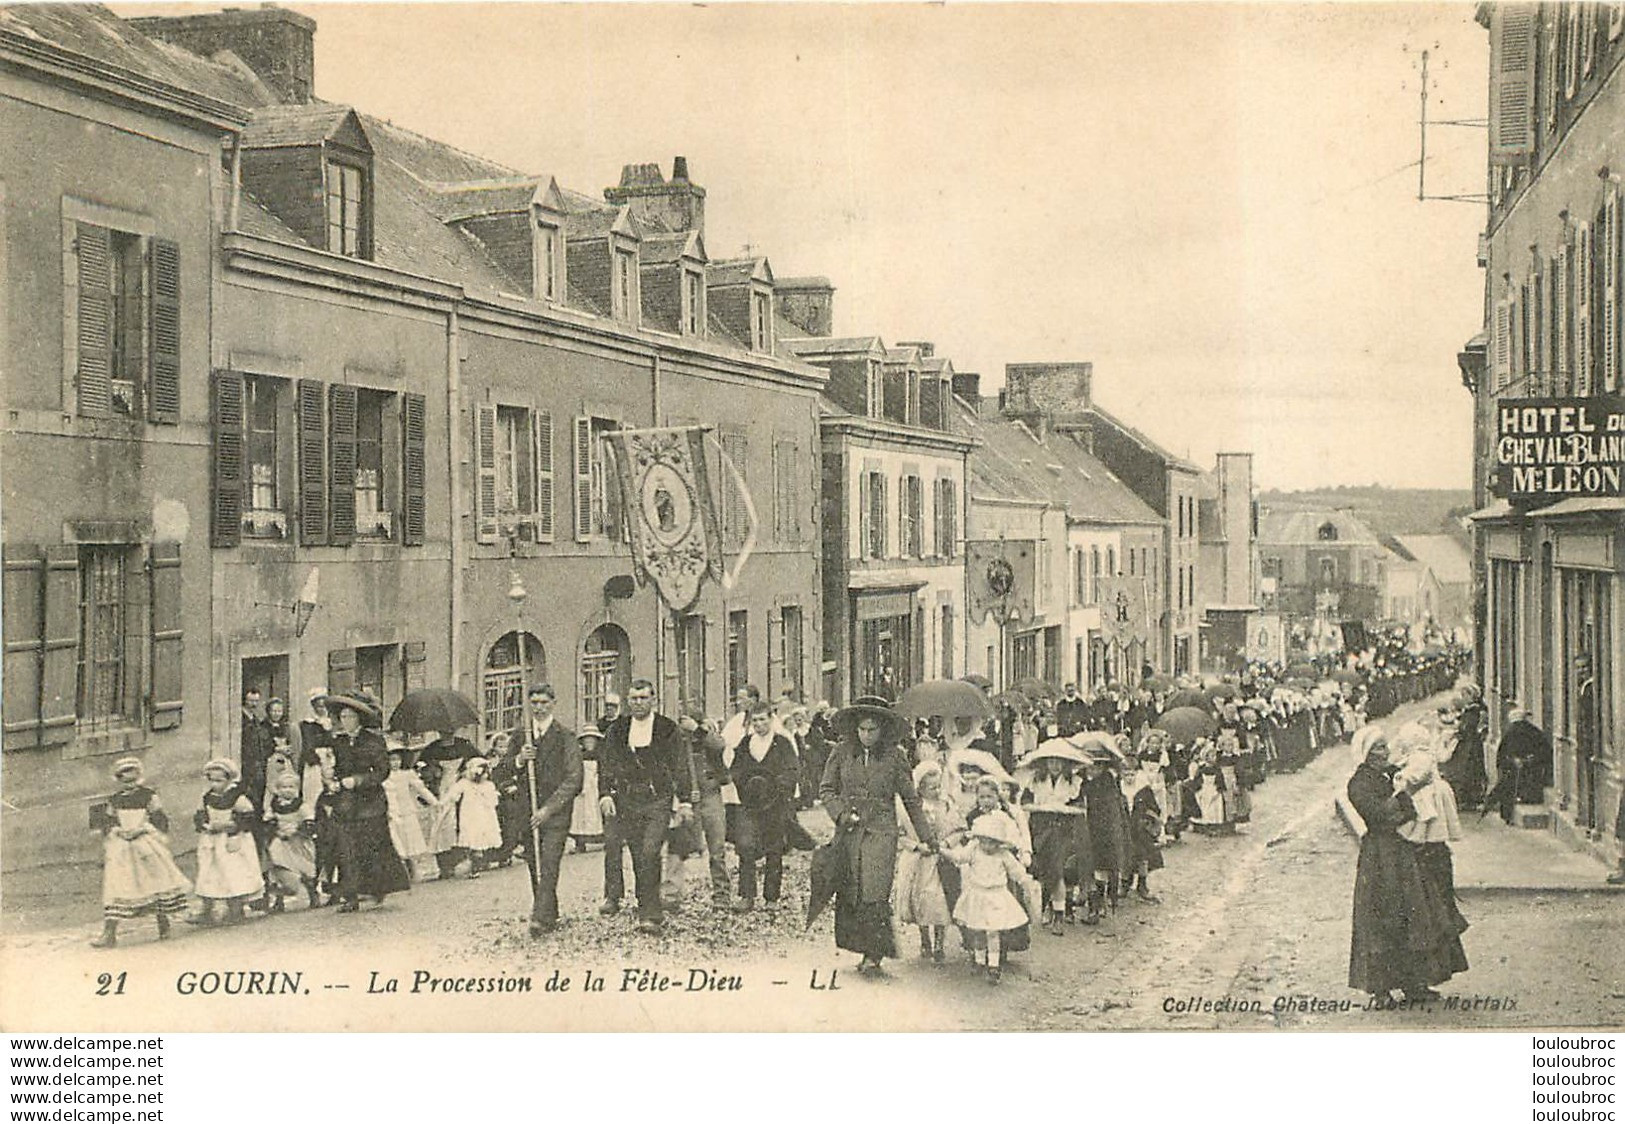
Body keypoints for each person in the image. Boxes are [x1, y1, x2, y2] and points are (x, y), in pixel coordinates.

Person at [1347, 730, 1467, 1006]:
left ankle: (1415, 983)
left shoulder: (1392, 773)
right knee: (1382, 919)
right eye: (1377, 748)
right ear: (1365, 754)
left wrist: (1407, 799)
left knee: (1416, 916)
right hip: (1380, 858)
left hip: (1405, 851)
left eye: (1384, 745)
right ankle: (1380, 990)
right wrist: (1406, 798)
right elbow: (1380, 815)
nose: (1385, 751)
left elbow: (1412, 804)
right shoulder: (1358, 784)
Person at [819, 696, 934, 975]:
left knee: (874, 889)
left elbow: (910, 799)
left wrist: (927, 836)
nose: (867, 735)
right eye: (862, 729)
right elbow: (826, 790)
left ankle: (875, 954)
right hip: (849, 830)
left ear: (882, 729)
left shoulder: (895, 757)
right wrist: (842, 814)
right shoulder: (842, 752)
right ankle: (860, 947)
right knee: (852, 889)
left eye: (872, 729)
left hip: (881, 830)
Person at [598, 679, 694, 934]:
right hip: (628, 800)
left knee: (651, 851)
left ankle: (652, 915)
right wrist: (605, 794)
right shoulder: (617, 730)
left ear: (654, 700)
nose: (638, 703)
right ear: (628, 701)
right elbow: (605, 763)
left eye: (643, 698)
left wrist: (684, 801)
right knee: (638, 854)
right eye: (634, 699)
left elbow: (680, 766)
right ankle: (645, 904)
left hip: (657, 799)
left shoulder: (667, 729)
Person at [323, 692, 411, 912]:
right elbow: (337, 769)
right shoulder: (338, 741)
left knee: (371, 847)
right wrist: (334, 781)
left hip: (370, 803)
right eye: (343, 717)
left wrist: (359, 780)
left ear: (359, 718)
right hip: (346, 803)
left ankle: (377, 889)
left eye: (350, 717)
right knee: (346, 848)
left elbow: (382, 772)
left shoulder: (373, 741)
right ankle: (349, 896)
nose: (346, 721)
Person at [89, 757, 190, 947]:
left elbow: (160, 819)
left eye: (133, 779)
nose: (129, 784)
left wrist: (143, 829)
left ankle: (163, 923)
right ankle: (109, 933)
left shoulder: (148, 796)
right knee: (117, 885)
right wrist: (117, 831)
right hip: (122, 846)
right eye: (125, 780)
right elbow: (108, 822)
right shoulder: (115, 800)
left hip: (144, 841)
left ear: (139, 776)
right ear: (118, 780)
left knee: (154, 880)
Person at [510, 682, 582, 936]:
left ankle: (539, 917)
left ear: (553, 703)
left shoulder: (565, 737)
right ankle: (549, 912)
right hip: (528, 812)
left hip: (555, 814)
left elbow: (574, 779)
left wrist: (548, 810)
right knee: (535, 863)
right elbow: (504, 770)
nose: (539, 708)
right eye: (534, 703)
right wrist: (519, 760)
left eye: (544, 703)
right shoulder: (521, 736)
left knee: (549, 862)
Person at [942, 811, 1029, 984]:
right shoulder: (974, 850)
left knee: (993, 932)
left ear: (999, 843)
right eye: (983, 841)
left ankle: (994, 965)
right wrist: (944, 851)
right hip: (977, 895)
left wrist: (1026, 882)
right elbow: (959, 858)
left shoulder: (1003, 855)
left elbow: (1017, 872)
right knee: (977, 931)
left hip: (996, 896)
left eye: (992, 842)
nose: (987, 846)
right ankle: (980, 961)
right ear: (978, 839)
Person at [728, 701, 799, 911]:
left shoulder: (782, 743)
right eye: (755, 721)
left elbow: (792, 771)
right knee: (745, 846)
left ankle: (771, 898)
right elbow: (736, 769)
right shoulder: (745, 743)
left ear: (771, 719)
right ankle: (746, 895)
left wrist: (777, 787)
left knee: (774, 849)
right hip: (750, 805)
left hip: (774, 805)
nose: (759, 725)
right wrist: (746, 785)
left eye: (762, 720)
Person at [663, 707, 730, 909]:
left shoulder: (708, 737)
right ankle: (672, 894)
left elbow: (719, 746)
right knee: (678, 845)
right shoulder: (677, 744)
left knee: (716, 847)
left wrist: (698, 731)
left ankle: (722, 894)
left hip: (710, 795)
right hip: (687, 799)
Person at [189, 758, 264, 926]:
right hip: (212, 840)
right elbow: (200, 814)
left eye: (219, 780)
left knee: (233, 871)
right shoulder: (208, 797)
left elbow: (248, 818)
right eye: (211, 780)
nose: (214, 784)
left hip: (232, 839)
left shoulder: (237, 797)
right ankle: (206, 909)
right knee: (209, 872)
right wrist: (204, 824)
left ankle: (236, 909)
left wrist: (230, 826)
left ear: (229, 779)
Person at [899, 762, 960, 963]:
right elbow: (900, 835)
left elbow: (959, 829)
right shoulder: (911, 808)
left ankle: (939, 943)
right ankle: (924, 938)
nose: (936, 790)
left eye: (938, 786)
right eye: (931, 787)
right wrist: (916, 846)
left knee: (940, 901)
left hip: (940, 860)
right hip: (919, 862)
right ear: (921, 788)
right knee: (921, 902)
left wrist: (946, 843)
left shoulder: (947, 805)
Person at [422, 727, 478, 880]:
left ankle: (464, 861)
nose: (447, 733)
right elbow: (422, 768)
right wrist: (433, 772)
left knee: (462, 823)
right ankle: (445, 865)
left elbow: (479, 761)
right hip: (441, 790)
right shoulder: (432, 749)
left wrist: (467, 771)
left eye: (450, 730)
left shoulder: (464, 745)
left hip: (462, 787)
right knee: (442, 825)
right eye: (443, 730)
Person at [264, 772, 319, 911]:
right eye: (283, 787)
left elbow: (309, 819)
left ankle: (313, 894)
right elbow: (268, 818)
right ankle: (279, 900)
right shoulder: (275, 805)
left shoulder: (301, 805)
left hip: (298, 841)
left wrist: (299, 829)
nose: (287, 790)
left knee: (305, 868)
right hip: (282, 841)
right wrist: (274, 827)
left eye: (291, 787)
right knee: (278, 867)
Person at [1490, 708, 1554, 824]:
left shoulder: (1510, 732)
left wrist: (1515, 760)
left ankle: (1507, 814)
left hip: (1518, 770)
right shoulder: (1534, 731)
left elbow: (1502, 754)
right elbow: (1546, 751)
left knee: (1507, 784)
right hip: (1532, 768)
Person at [383, 749, 438, 881]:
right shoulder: (383, 776)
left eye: (397, 759)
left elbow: (421, 789)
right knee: (397, 841)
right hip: (391, 812)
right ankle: (401, 873)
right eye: (391, 760)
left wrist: (435, 802)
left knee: (411, 841)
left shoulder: (407, 774)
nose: (395, 763)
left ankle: (415, 870)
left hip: (407, 811)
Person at [446, 757, 503, 875]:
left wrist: (491, 797)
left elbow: (494, 801)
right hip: (470, 815)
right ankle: (474, 861)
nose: (485, 776)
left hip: (485, 815)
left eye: (487, 773)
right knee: (472, 837)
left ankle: (479, 861)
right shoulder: (465, 784)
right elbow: (453, 794)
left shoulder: (489, 785)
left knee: (482, 837)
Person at [1441, 685, 1488, 811]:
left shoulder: (1475, 710)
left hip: (1471, 745)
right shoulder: (1470, 710)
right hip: (1467, 743)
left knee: (1469, 770)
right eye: (1463, 695)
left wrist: (1458, 731)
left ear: (1472, 696)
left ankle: (1471, 799)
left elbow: (1468, 727)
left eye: (1466, 695)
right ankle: (1467, 798)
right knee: (1465, 770)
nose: (1464, 698)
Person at [570, 724, 605, 853]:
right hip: (581, 787)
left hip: (595, 787)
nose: (589, 742)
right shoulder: (579, 756)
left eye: (592, 739)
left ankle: (602, 838)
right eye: (586, 740)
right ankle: (580, 843)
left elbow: (604, 772)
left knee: (595, 813)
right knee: (579, 815)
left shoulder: (601, 755)